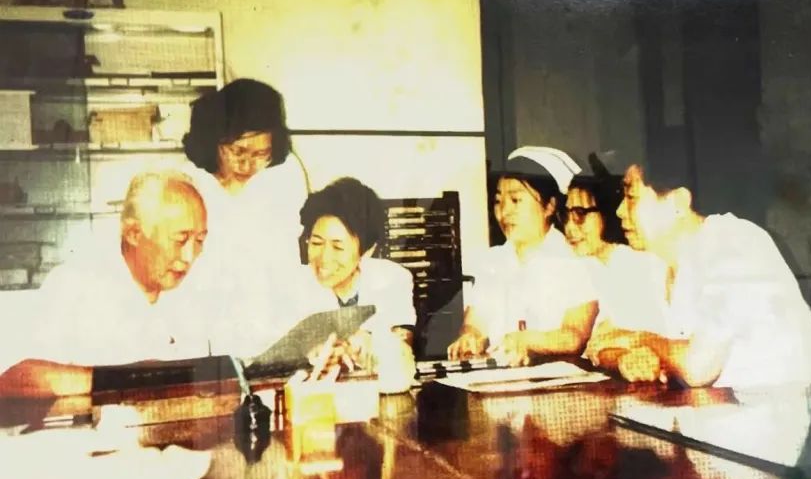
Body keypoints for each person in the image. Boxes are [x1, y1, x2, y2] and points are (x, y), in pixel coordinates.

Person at [585, 163, 811, 389]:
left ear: (678, 202)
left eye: (631, 196)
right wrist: (626, 358)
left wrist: (640, 340)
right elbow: (599, 342)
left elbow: (697, 367)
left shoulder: (733, 243)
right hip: (736, 414)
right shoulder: (655, 264)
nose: (619, 210)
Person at [0, 170, 213, 397]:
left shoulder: (192, 291)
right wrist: (127, 380)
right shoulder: (75, 285)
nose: (190, 256)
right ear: (133, 233)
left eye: (199, 240)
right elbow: (16, 378)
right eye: (180, 239)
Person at [256, 178, 417, 391]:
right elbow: (270, 357)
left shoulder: (393, 279)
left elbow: (402, 350)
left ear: (367, 250)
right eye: (316, 243)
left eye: (338, 247)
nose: (324, 258)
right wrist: (310, 356)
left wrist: (365, 344)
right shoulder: (290, 286)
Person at [447, 146, 599, 366]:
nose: (504, 212)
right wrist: (470, 337)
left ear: (549, 206)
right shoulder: (492, 261)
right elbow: (475, 323)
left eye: (516, 200)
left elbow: (573, 336)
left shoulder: (574, 259)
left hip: (561, 381)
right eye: (498, 201)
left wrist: (526, 340)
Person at [182, 78, 310, 275]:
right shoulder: (191, 178)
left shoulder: (285, 172)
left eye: (261, 154)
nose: (247, 165)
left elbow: (285, 247)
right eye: (237, 151)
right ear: (215, 141)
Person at [563, 167, 667, 334]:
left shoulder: (637, 262)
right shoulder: (582, 266)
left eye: (580, 214)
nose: (569, 227)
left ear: (606, 212)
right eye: (565, 215)